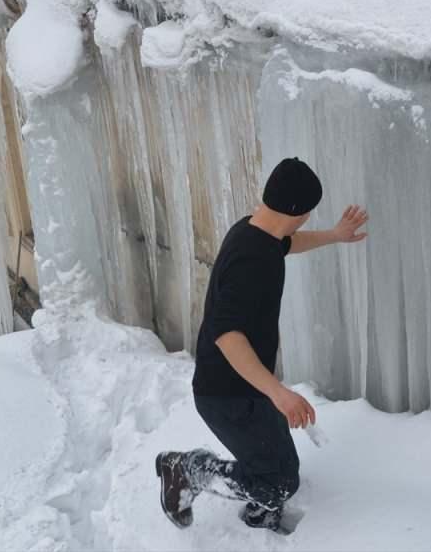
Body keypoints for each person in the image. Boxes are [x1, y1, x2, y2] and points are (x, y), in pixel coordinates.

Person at [156, 157, 369, 532]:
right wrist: (279, 393)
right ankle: (188, 470)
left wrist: (334, 235)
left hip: (249, 386)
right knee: (279, 483)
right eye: (308, 212)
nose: (306, 220)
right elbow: (227, 336)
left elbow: (288, 241)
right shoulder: (250, 261)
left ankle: (259, 509)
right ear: (296, 211)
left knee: (282, 469)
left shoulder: (255, 230)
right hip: (228, 394)